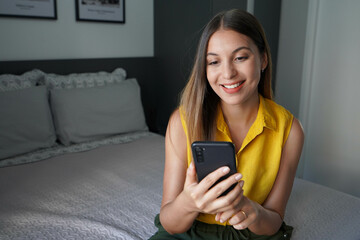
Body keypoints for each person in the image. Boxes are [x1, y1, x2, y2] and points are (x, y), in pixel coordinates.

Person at [149, 8, 304, 240]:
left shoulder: (289, 130)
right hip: (189, 231)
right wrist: (188, 203)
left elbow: (273, 220)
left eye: (240, 57)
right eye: (214, 62)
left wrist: (253, 212)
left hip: (250, 233)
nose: (228, 73)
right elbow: (170, 224)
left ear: (263, 59)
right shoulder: (182, 122)